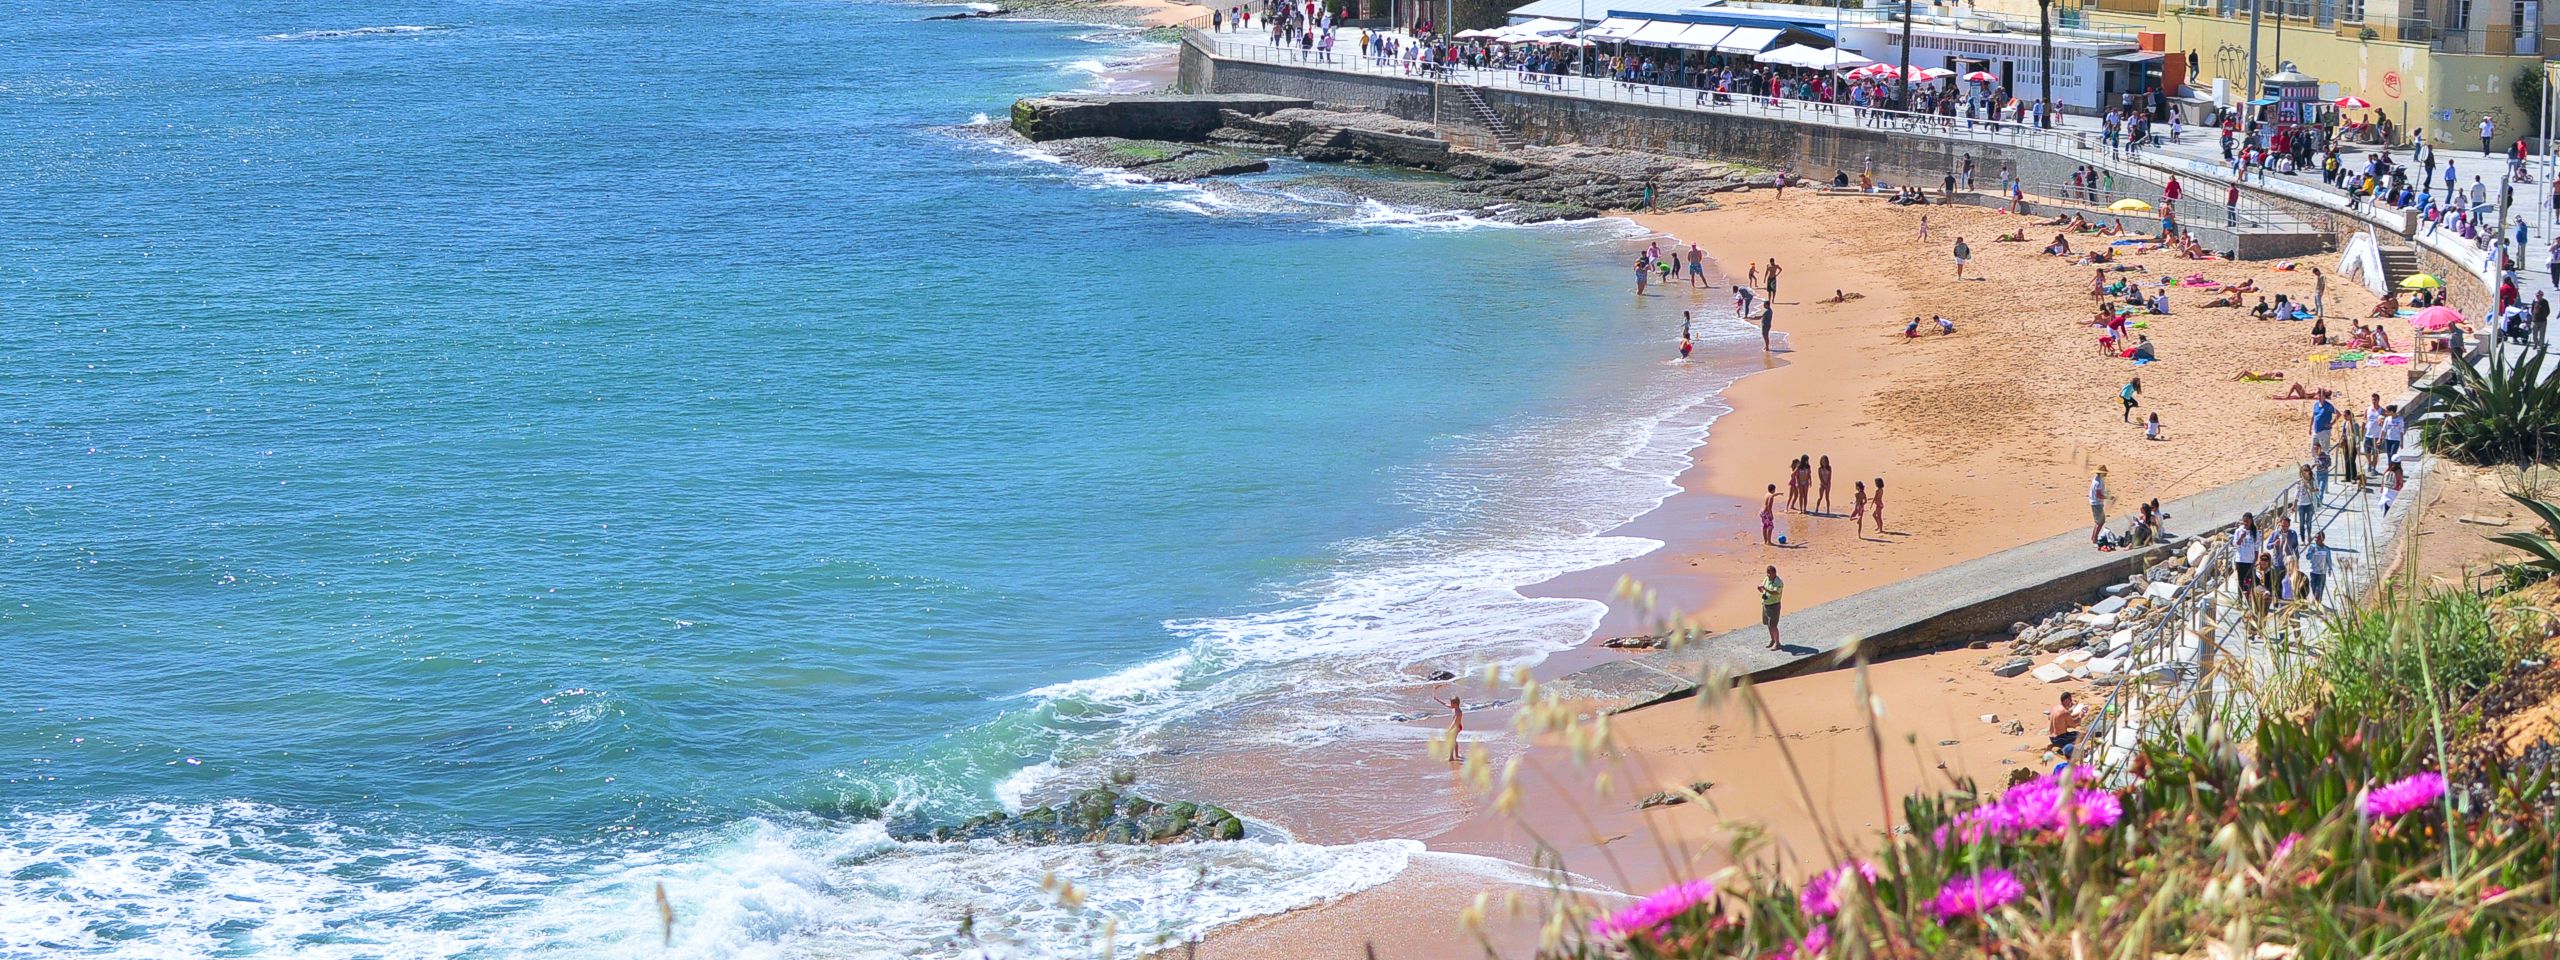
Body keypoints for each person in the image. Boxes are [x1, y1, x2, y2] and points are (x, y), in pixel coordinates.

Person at [2047, 691, 2087, 759]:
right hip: (2060, 739)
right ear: (2066, 700)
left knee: (2075, 734)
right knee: (2082, 736)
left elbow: (2067, 718)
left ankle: (2057, 746)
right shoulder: (2065, 712)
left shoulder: (2056, 708)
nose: (2071, 703)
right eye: (2070, 700)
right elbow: (2074, 725)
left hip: (2052, 737)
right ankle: (2065, 749)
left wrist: (2078, 713)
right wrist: (2081, 717)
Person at [1429, 687, 1464, 762]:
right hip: (1457, 726)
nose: (1450, 704)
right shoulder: (1454, 708)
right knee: (1454, 741)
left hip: (1456, 727)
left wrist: (1449, 729)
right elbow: (1445, 704)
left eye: (1451, 703)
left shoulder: (1458, 712)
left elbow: (1455, 722)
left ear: (1455, 704)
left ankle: (1451, 757)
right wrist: (1437, 699)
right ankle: (1456, 755)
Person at [2233, 512, 2261, 600]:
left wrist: (2256, 559)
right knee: (2241, 580)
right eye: (2244, 521)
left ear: (2251, 521)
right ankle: (2239, 599)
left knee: (2249, 580)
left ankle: (2249, 598)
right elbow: (2235, 544)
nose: (2245, 523)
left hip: (2250, 560)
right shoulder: (2238, 531)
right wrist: (2241, 537)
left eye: (2247, 521)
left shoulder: (2255, 532)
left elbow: (2256, 546)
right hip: (2241, 559)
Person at [1759, 566, 1785, 651]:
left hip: (1774, 606)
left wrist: (1765, 588)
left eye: (1770, 573)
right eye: (1767, 572)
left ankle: (1778, 643)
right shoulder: (1766, 578)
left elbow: (1775, 592)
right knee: (1768, 625)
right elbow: (1764, 590)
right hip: (1766, 605)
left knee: (1773, 626)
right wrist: (1761, 589)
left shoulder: (1779, 582)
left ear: (1775, 573)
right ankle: (1772, 640)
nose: (1768, 574)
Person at [2305, 531, 2333, 601]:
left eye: (2318, 538)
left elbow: (2328, 559)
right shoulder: (2312, 547)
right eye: (2316, 538)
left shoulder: (2326, 549)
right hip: (2313, 572)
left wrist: (2330, 568)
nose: (2316, 540)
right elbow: (2308, 557)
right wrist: (2312, 552)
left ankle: (2318, 601)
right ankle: (2315, 599)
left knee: (2319, 589)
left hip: (2322, 572)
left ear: (2323, 539)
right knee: (2313, 588)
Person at [2088, 467, 2109, 543]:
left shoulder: (2096, 479)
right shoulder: (2098, 482)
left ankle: (2094, 537)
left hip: (2095, 502)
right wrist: (2108, 497)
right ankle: (2094, 538)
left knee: (2098, 521)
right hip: (2097, 503)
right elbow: (2098, 495)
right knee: (2100, 521)